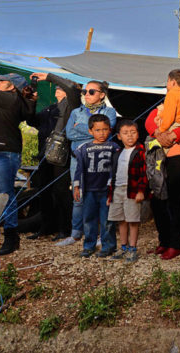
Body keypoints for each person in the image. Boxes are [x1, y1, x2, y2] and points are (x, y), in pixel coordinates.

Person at [0, 69, 36, 255]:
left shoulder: (10, 100)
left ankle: (12, 237)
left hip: (3, 153)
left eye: (0, 81)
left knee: (5, 197)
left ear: (11, 87)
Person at [144, 69, 180, 260]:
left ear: (172, 82)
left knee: (174, 199)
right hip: (160, 156)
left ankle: (176, 243)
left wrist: (168, 134)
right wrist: (158, 133)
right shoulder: (165, 103)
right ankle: (163, 241)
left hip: (177, 154)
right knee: (158, 199)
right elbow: (150, 121)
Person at [57, 80, 116, 247]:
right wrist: (95, 130)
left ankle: (99, 235)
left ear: (102, 94)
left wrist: (82, 127)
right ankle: (76, 234)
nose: (86, 95)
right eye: (84, 91)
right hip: (78, 160)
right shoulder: (76, 111)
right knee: (78, 196)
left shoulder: (110, 111)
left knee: (100, 196)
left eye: (91, 91)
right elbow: (69, 133)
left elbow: (108, 130)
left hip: (100, 161)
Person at [26, 72, 82, 241]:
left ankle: (65, 228)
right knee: (44, 191)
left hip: (61, 154)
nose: (57, 89)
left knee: (61, 192)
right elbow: (32, 121)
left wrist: (49, 77)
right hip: (44, 153)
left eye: (60, 87)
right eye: (57, 87)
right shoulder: (50, 107)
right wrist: (30, 99)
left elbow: (71, 88)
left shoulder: (72, 105)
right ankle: (46, 227)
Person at [73, 114, 119, 258]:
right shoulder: (84, 148)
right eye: (98, 130)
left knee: (107, 220)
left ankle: (108, 246)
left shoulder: (114, 147)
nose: (102, 133)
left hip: (106, 190)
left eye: (105, 129)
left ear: (110, 130)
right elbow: (79, 169)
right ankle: (88, 246)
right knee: (88, 219)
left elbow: (117, 168)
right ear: (90, 131)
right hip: (89, 190)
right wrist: (76, 186)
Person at [107, 120, 148, 263]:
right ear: (119, 136)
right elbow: (113, 174)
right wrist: (110, 195)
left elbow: (144, 174)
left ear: (138, 134)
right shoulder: (118, 152)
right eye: (125, 133)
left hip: (132, 190)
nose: (129, 136)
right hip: (117, 189)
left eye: (133, 132)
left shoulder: (141, 152)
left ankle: (132, 248)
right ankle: (123, 247)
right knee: (121, 220)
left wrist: (141, 191)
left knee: (133, 220)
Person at [154, 70, 180, 156]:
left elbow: (169, 117)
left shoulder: (171, 94)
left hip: (174, 126)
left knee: (162, 147)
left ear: (173, 82)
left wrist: (160, 130)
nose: (167, 84)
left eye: (168, 81)